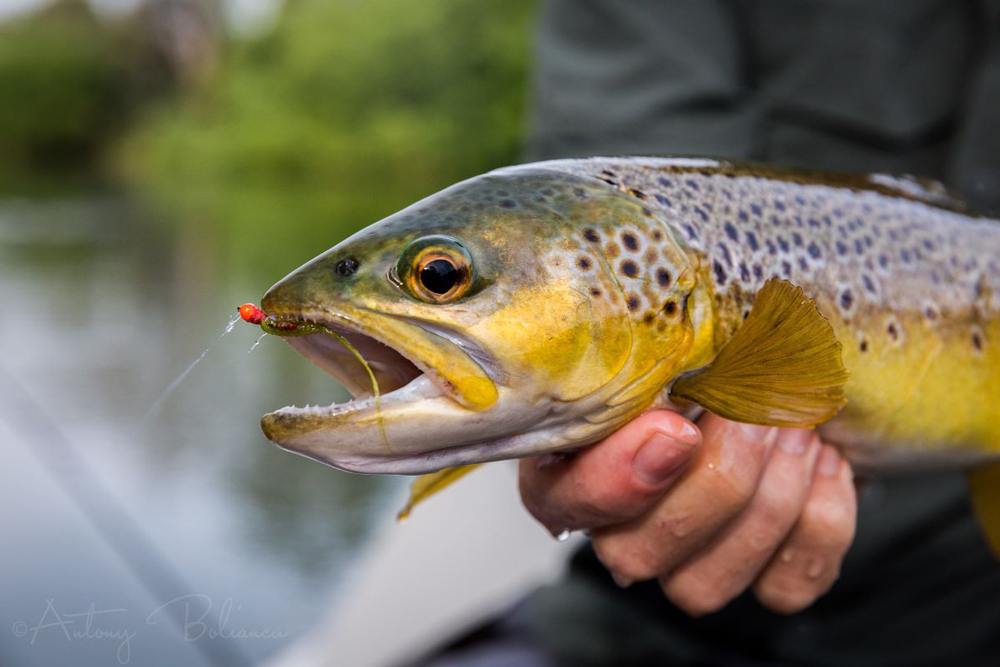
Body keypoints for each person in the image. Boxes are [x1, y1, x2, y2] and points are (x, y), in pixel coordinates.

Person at [418, 2, 1000, 665]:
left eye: (440, 277)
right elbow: (617, 205)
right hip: (654, 607)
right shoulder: (626, 244)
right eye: (438, 277)